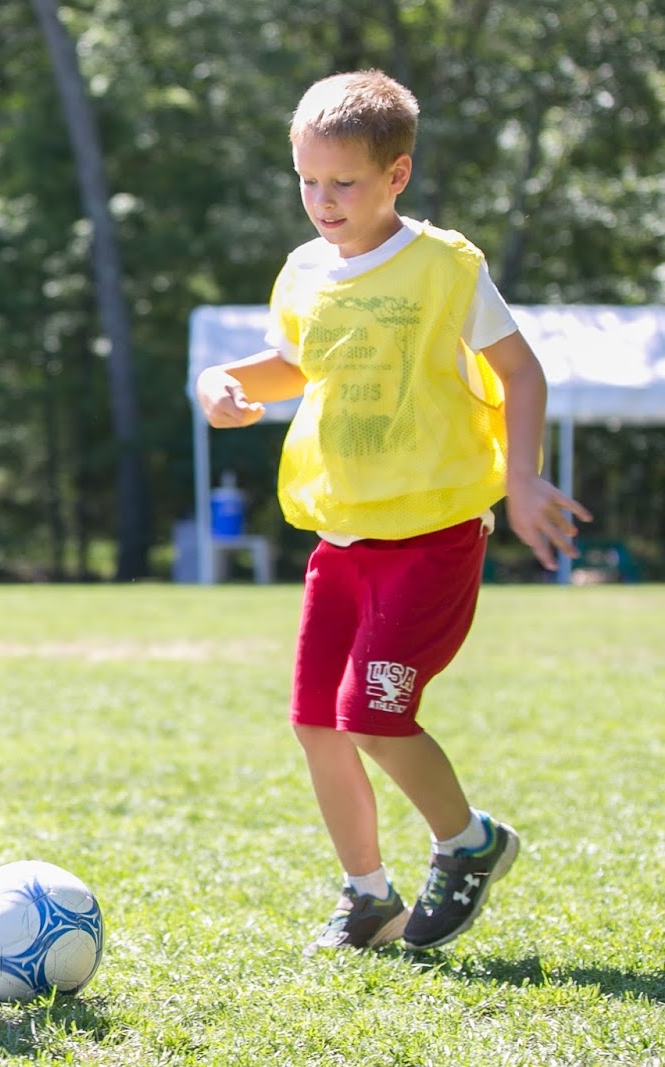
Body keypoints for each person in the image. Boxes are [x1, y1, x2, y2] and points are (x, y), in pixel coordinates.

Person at [195, 69, 591, 956]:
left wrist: (522, 480)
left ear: (397, 174)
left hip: (432, 537)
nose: (322, 201)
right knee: (316, 721)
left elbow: (522, 371)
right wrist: (223, 381)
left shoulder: (448, 266)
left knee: (373, 714)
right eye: (307, 180)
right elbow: (298, 364)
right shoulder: (302, 269)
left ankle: (470, 843)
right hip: (341, 538)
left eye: (344, 182)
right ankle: (367, 895)